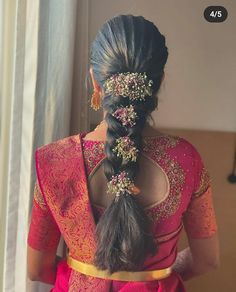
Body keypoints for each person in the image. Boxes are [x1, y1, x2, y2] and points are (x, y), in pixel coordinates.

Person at [27, 14, 219, 291]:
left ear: (95, 81)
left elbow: (37, 269)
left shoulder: (54, 161)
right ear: (158, 81)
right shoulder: (186, 160)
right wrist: (155, 278)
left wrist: (87, 279)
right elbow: (207, 261)